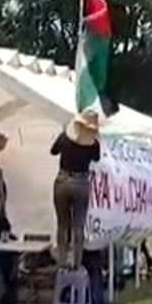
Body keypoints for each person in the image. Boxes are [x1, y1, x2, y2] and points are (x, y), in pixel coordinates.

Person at [51, 110, 101, 269]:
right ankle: (77, 262)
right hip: (81, 182)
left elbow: (53, 151)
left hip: (63, 179)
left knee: (62, 224)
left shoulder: (65, 137)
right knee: (78, 225)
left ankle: (62, 260)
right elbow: (97, 158)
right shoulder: (93, 144)